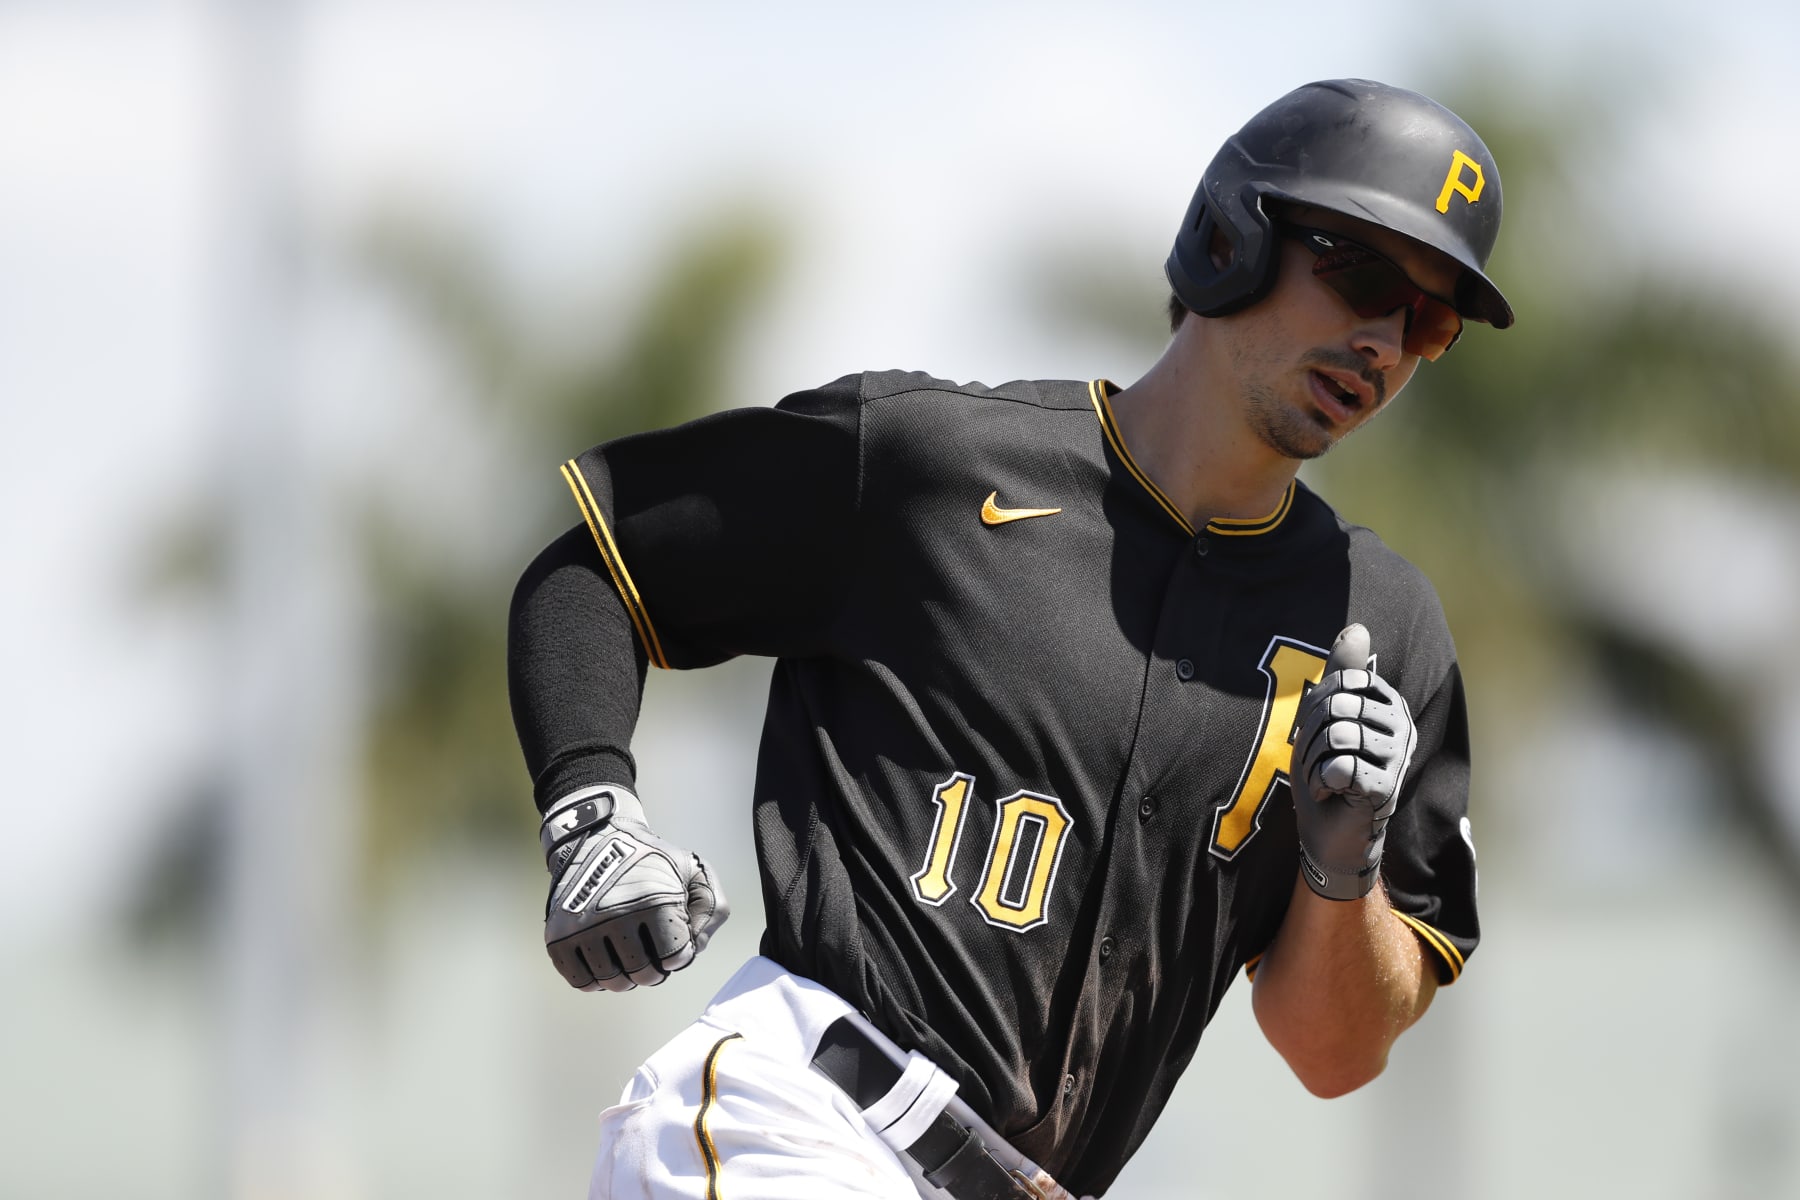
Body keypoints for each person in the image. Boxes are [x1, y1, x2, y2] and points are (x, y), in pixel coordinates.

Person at [507, 77, 1511, 1200]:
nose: (1383, 339)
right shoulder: (931, 467)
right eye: (1363, 272)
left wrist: (1343, 867)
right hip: (796, 1122)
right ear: (1234, 236)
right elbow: (596, 563)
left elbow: (1333, 1053)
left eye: (1428, 320)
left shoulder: (1379, 630)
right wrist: (589, 808)